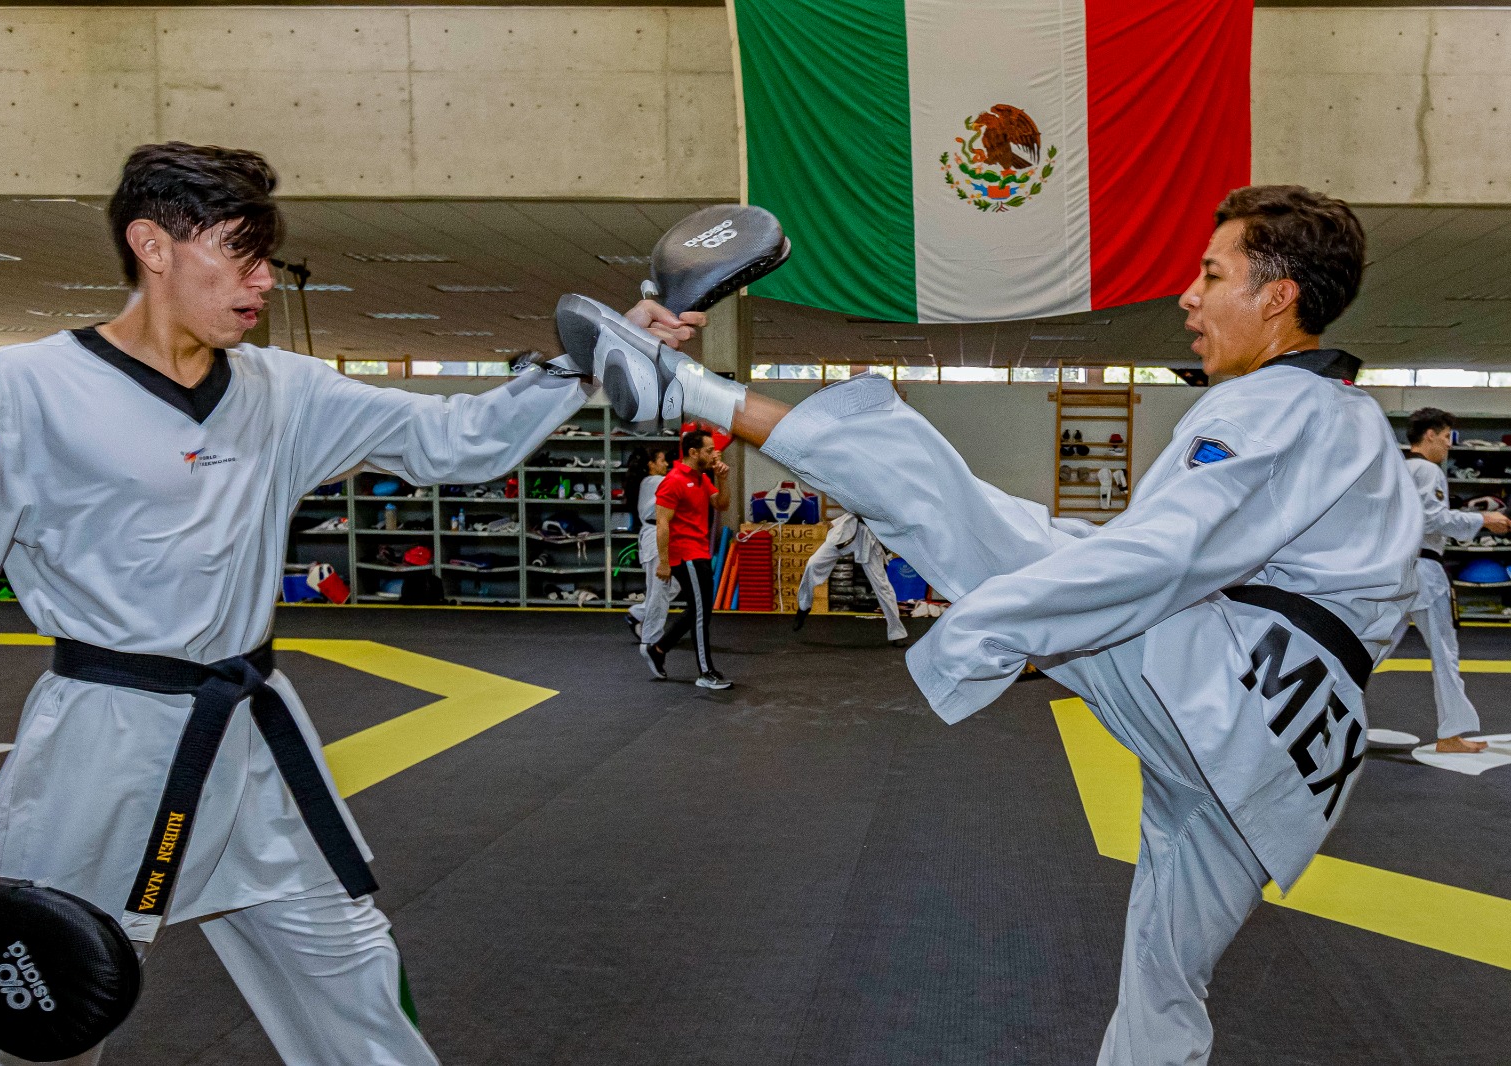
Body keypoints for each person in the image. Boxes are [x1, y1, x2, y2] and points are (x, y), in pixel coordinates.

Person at [562, 184, 1419, 1065]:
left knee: (965, 512)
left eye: (1212, 274)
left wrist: (988, 632)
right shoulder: (1352, 420)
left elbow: (1165, 554)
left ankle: (687, 390)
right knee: (1164, 981)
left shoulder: (1282, 404)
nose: (1188, 297)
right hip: (1290, 757)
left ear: (1278, 296)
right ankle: (681, 388)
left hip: (1230, 693)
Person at [0, 142, 702, 1066]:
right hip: (102, 746)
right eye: (238, 258)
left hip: (246, 740)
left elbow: (455, 443)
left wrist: (580, 364)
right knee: (44, 1024)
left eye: (266, 263)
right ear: (152, 246)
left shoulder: (281, 391)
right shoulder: (20, 391)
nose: (259, 285)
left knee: (353, 977)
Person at [1396, 407, 1505, 753]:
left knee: (1372, 648)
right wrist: (1482, 519)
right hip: (1423, 570)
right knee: (1445, 651)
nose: (1448, 445)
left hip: (1393, 571)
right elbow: (1433, 521)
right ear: (1429, 435)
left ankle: (1324, 713)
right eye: (1445, 437)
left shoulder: (1398, 470)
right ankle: (1450, 734)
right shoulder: (1427, 470)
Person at [640, 430, 731, 689]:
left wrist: (723, 478)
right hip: (686, 555)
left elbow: (721, 505)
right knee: (702, 613)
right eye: (709, 450)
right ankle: (705, 672)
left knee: (699, 610)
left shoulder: (701, 478)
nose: (715, 454)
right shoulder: (674, 481)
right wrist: (665, 562)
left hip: (700, 551)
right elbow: (662, 524)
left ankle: (658, 650)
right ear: (693, 453)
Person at [792, 511, 908, 643]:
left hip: (869, 536)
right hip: (847, 528)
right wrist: (835, 522)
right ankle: (804, 606)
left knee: (882, 586)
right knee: (813, 563)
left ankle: (897, 633)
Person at [623, 446, 681, 646]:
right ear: (651, 465)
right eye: (662, 460)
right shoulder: (655, 481)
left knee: (672, 586)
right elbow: (680, 482)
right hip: (655, 537)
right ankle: (652, 641)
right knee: (660, 591)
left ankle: (636, 614)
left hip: (658, 536)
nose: (666, 464)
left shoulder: (651, 482)